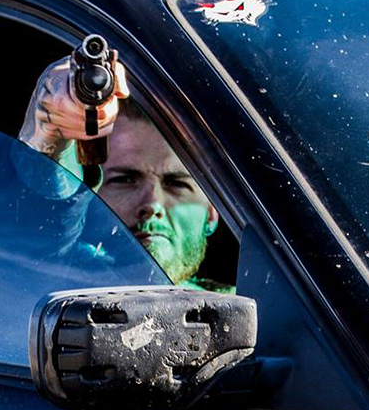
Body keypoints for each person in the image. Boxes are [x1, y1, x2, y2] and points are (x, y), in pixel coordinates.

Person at [19, 53, 228, 291]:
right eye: (124, 180)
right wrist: (52, 136)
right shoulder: (48, 287)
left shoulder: (255, 308)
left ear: (212, 213)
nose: (152, 204)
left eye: (177, 184)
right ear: (91, 198)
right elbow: (46, 223)